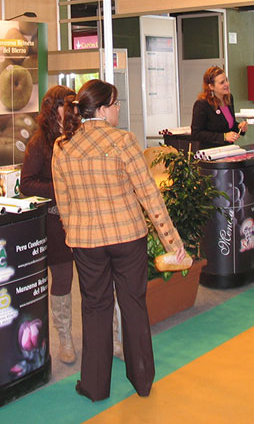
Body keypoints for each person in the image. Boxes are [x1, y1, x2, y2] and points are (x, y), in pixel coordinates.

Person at [52, 79, 186, 402]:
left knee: (95, 309)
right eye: (115, 104)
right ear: (100, 110)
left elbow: (64, 202)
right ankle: (142, 380)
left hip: (86, 242)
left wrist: (74, 236)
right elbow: (149, 196)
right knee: (134, 305)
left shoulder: (63, 146)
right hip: (128, 237)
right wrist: (173, 243)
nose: (119, 109)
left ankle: (95, 386)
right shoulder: (123, 141)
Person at [19, 85, 77, 364]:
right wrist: (61, 188)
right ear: (54, 109)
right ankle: (64, 337)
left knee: (94, 277)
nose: (73, 109)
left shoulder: (77, 136)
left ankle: (108, 336)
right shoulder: (39, 142)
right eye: (67, 104)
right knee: (63, 278)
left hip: (83, 216)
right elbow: (26, 184)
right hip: (55, 220)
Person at [190, 66, 248, 149]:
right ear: (211, 87)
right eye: (222, 82)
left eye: (226, 80)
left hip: (228, 149)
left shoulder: (229, 99)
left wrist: (239, 127)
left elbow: (229, 125)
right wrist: (223, 137)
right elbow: (196, 134)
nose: (227, 84)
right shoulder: (202, 104)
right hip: (211, 152)